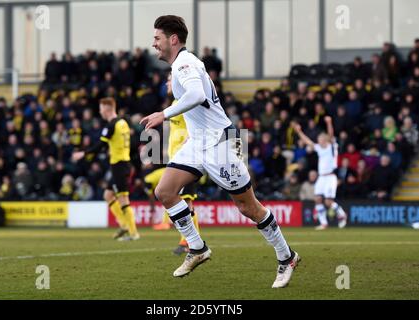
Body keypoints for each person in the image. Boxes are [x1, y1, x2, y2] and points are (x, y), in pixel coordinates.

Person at [140, 15, 299, 288]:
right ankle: (197, 248)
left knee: (248, 207)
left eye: (157, 38)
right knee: (165, 192)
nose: (154, 44)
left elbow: (196, 96)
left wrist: (163, 114)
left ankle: (287, 257)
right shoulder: (182, 64)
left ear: (173, 39)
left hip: (219, 144)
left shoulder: (185, 64)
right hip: (197, 142)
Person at [145, 73, 202, 256]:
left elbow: (200, 123)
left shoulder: (187, 103)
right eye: (167, 80)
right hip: (176, 160)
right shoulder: (173, 106)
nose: (167, 83)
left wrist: (192, 138)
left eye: (170, 80)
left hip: (188, 159)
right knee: (183, 201)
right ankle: (190, 241)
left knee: (186, 201)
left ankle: (190, 242)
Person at [72, 97, 139, 241]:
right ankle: (124, 225)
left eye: (101, 109)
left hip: (120, 165)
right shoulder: (123, 123)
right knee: (108, 195)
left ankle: (133, 233)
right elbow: (131, 143)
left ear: (107, 109)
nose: (100, 111)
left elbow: (99, 146)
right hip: (122, 163)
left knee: (123, 199)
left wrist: (83, 153)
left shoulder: (111, 125)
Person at [293, 116, 348, 230]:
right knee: (317, 199)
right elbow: (308, 142)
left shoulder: (332, 147)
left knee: (328, 201)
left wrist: (329, 122)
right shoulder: (319, 148)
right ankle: (324, 223)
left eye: (321, 140)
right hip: (321, 177)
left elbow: (331, 135)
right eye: (319, 140)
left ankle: (342, 215)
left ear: (326, 140)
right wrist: (299, 132)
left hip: (330, 177)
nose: (319, 142)